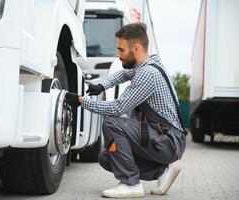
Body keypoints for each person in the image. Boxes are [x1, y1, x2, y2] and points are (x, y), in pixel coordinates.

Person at [65, 10, 186, 199]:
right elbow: (123, 74)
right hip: (164, 137)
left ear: (136, 48)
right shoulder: (148, 64)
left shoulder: (148, 74)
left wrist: (81, 101)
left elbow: (117, 107)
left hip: (168, 140)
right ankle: (162, 170)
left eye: (121, 50)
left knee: (112, 123)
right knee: (107, 158)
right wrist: (101, 85)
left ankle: (131, 183)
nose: (118, 55)